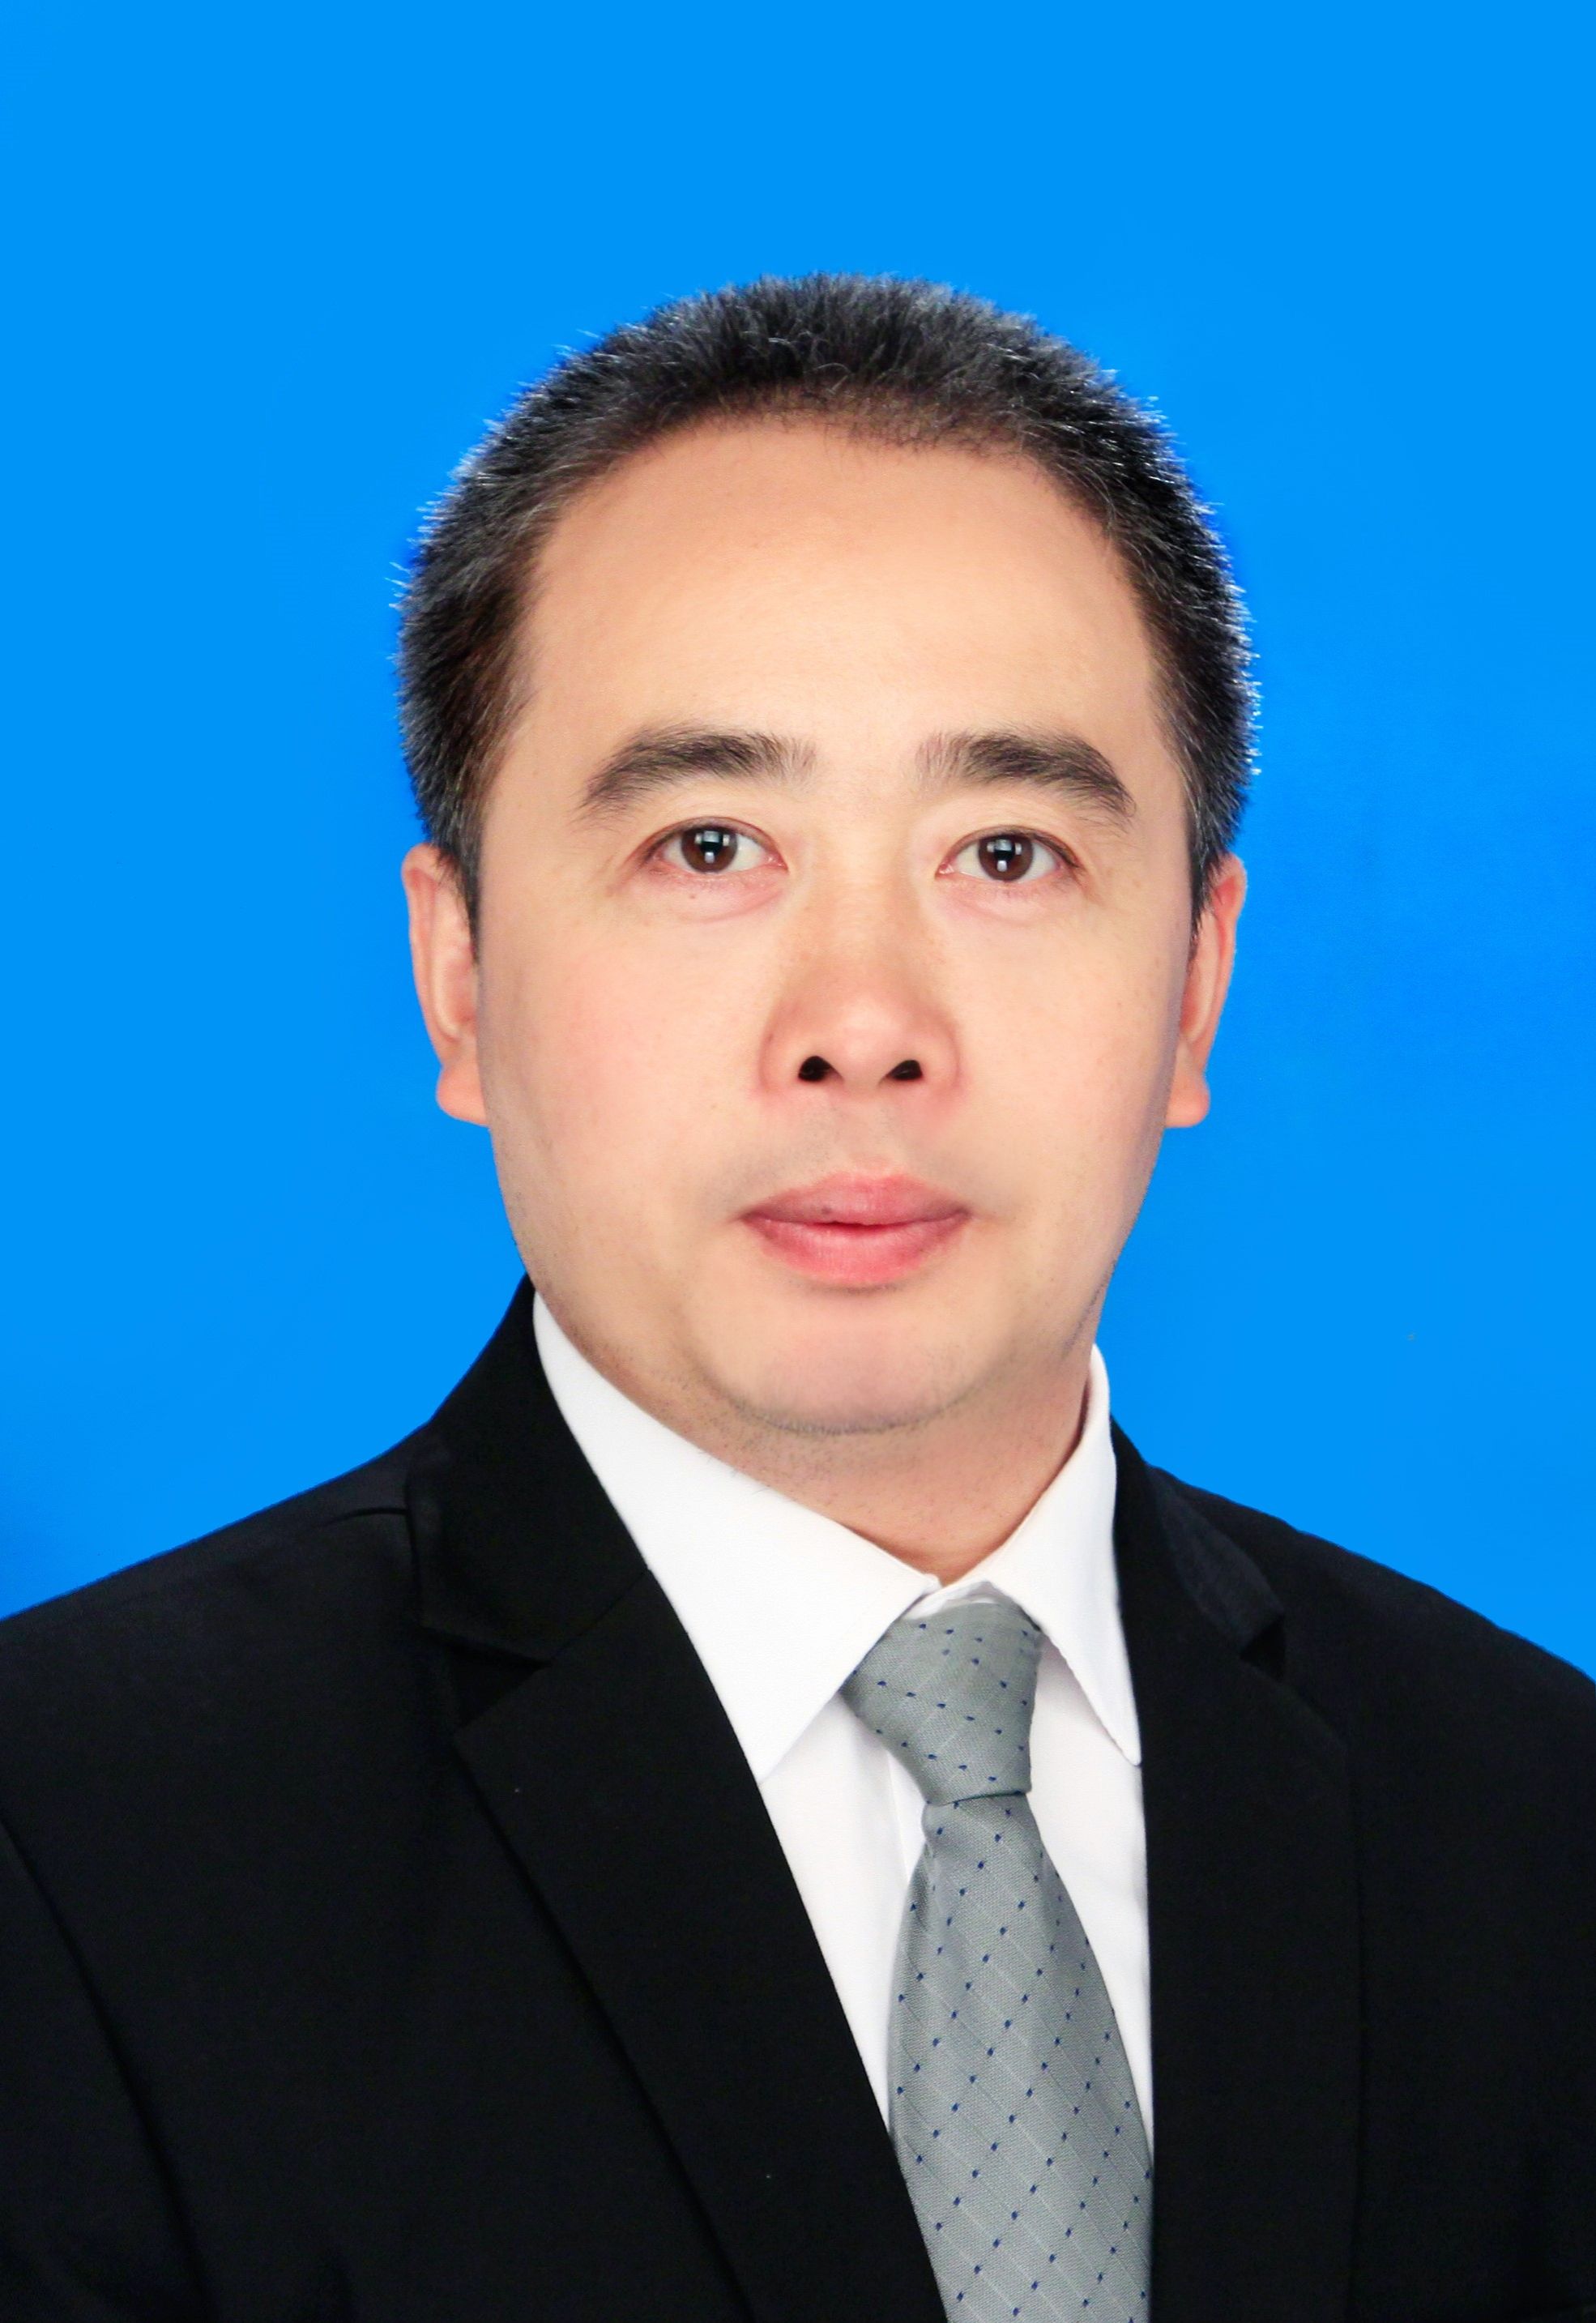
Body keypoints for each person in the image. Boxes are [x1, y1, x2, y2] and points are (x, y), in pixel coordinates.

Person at [0, 274, 1590, 2323]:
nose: (863, 1025)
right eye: (707, 845)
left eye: (1005, 855)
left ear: (1196, 984)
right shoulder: (68, 1850)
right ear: (459, 975)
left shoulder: (1536, 1829)